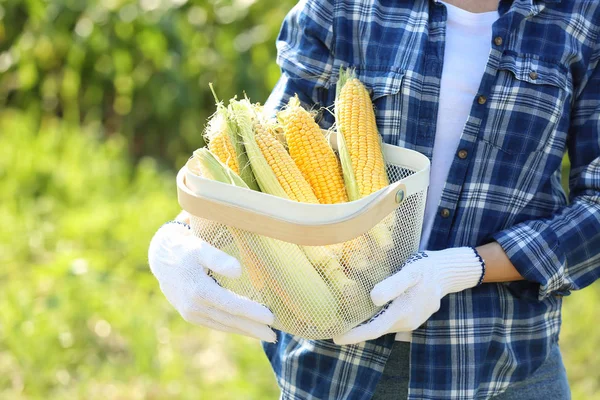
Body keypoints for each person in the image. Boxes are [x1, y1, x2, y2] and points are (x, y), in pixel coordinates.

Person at [148, 0, 600, 398]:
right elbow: (261, 153)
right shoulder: (344, 6)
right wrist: (178, 236)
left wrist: (462, 268)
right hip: (337, 365)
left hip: (498, 368)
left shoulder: (582, 15)